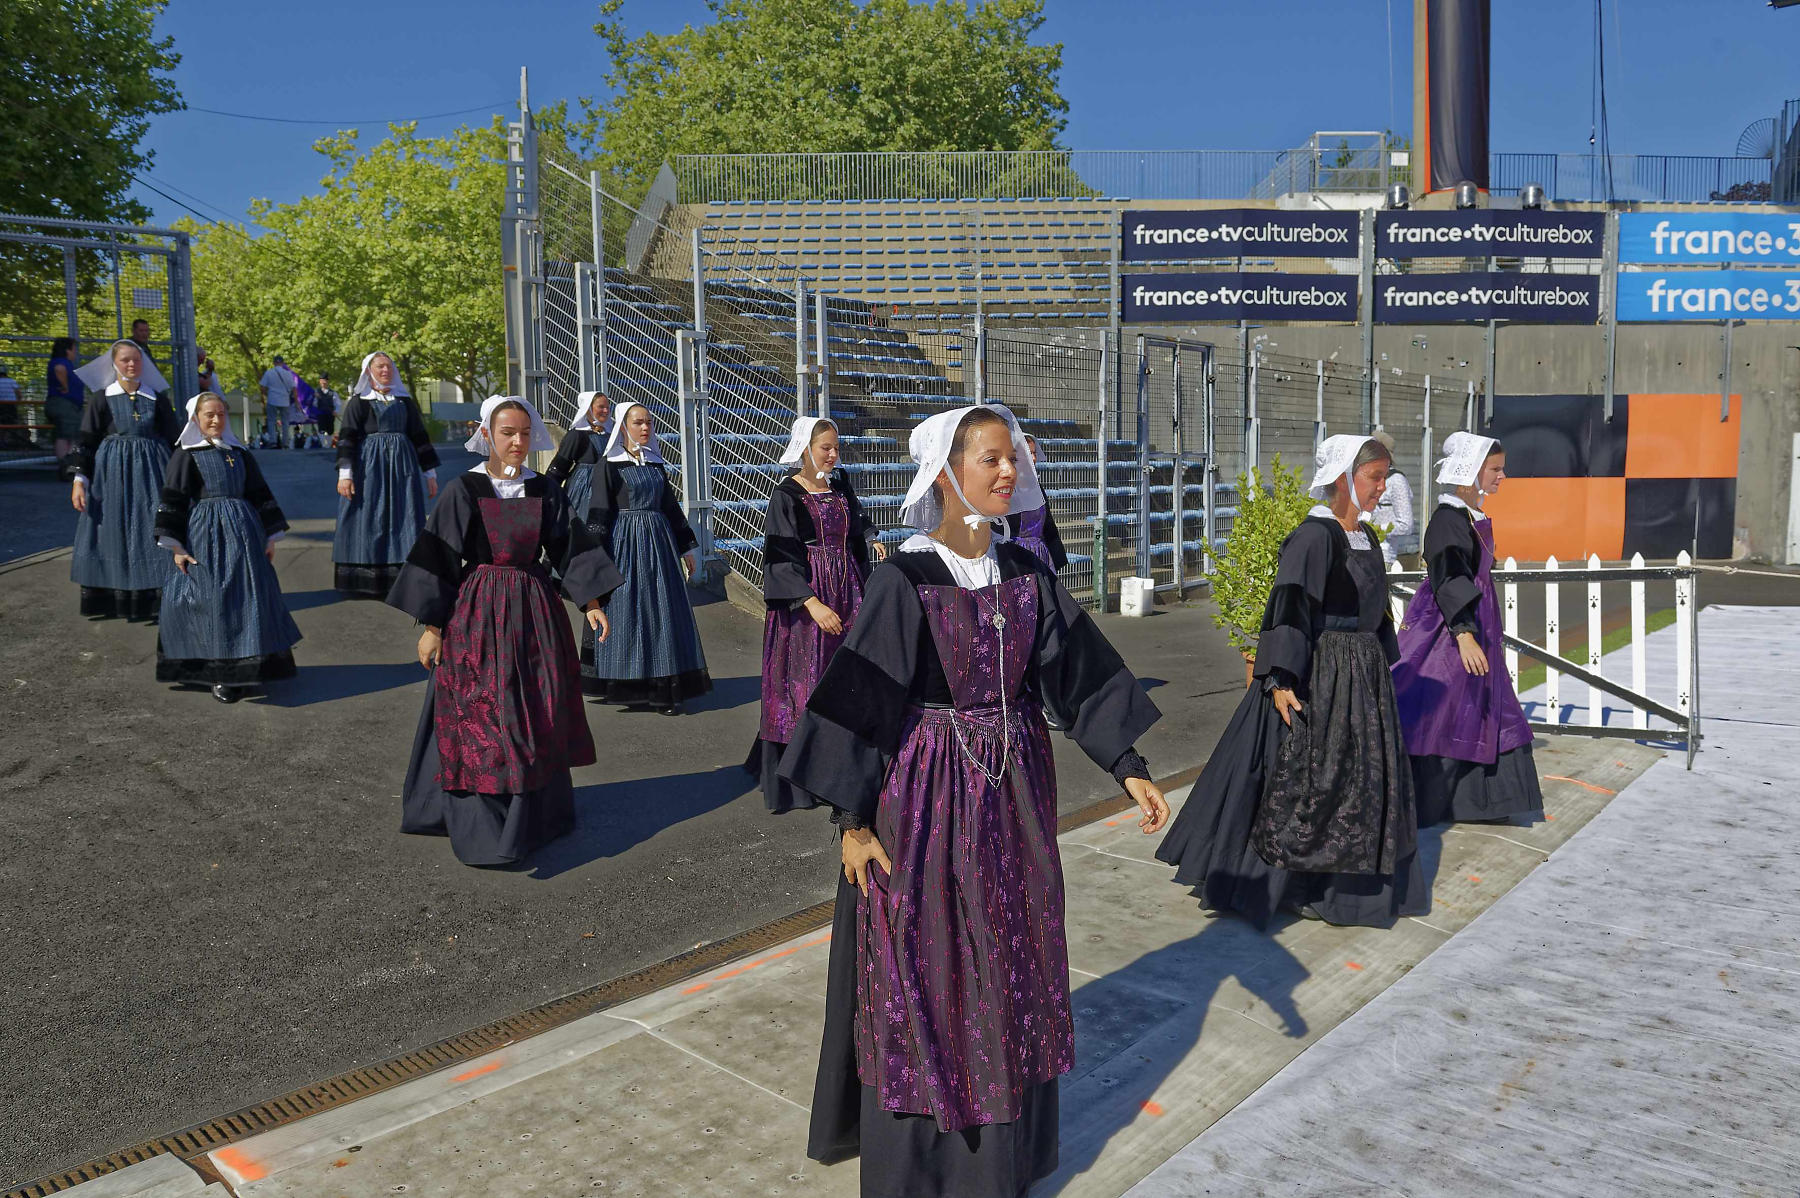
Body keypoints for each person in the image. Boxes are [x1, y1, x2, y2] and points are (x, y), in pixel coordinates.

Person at [779, 404, 1169, 1198]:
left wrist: (1126, 761)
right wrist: (851, 824)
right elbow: (864, 698)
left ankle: (1002, 1159)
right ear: (948, 474)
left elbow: (1075, 673)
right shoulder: (904, 578)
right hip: (925, 795)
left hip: (1017, 796)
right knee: (928, 961)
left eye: (1012, 460)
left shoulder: (1028, 575)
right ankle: (926, 1164)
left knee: (1011, 957)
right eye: (991, 459)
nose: (1008, 473)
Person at [1156, 434, 1423, 929]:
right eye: (1375, 477)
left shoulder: (1364, 536)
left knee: (1352, 781)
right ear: (1343, 478)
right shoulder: (1313, 537)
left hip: (1359, 677)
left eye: (1386, 477)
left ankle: (1340, 888)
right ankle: (1289, 883)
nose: (1383, 488)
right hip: (1322, 675)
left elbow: (1370, 611)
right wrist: (1281, 678)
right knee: (1306, 782)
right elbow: (1290, 606)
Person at [387, 396, 622, 867]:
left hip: (534, 610)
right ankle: (484, 819)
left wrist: (590, 600)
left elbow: (566, 543)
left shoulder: (545, 489)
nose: (516, 442)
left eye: (522, 433)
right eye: (506, 433)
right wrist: (433, 627)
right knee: (479, 708)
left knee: (534, 705)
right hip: (477, 610)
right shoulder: (464, 488)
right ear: (488, 435)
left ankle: (534, 814)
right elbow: (441, 553)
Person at [1391, 432, 1543, 827]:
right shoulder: (1448, 519)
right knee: (1439, 704)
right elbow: (1449, 574)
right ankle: (1427, 800)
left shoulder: (1466, 516)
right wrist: (1463, 633)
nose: (1502, 476)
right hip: (1448, 627)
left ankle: (1474, 802)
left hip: (1472, 621)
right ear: (1470, 472)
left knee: (1473, 703)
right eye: (1495, 469)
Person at [744, 417, 885, 813]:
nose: (833, 454)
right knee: (804, 682)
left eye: (836, 447)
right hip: (807, 603)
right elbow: (780, 556)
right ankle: (803, 774)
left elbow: (855, 524)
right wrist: (812, 603)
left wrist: (870, 541)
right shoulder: (786, 495)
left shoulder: (839, 485)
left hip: (847, 589)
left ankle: (842, 767)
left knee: (846, 678)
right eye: (826, 448)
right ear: (805, 449)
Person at [154, 393, 302, 703]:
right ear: (195, 418)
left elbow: (260, 493)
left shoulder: (240, 452)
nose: (216, 420)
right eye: (209, 414)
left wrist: (271, 535)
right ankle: (221, 675)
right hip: (206, 536)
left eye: (221, 414)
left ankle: (252, 668)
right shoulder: (185, 455)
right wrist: (176, 547)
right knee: (215, 602)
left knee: (251, 600)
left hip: (246, 536)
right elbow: (174, 500)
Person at [581, 401, 712, 714]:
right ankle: (630, 682)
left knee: (662, 613)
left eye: (649, 423)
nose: (645, 428)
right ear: (624, 426)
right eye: (638, 422)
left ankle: (663, 686)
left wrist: (687, 547)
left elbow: (670, 508)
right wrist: (595, 565)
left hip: (660, 547)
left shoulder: (654, 463)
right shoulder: (608, 465)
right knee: (628, 612)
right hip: (624, 546)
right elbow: (599, 515)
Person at [69, 341, 180, 619]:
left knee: (152, 528)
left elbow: (174, 439)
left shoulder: (157, 397)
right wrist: (79, 480)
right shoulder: (102, 398)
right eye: (125, 360)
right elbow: (87, 440)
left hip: (153, 472)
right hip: (111, 475)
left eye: (136, 360)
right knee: (112, 530)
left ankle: (156, 599)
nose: (131, 365)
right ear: (114, 364)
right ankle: (113, 599)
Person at [332, 351, 439, 598]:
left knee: (405, 517)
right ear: (368, 371)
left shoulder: (405, 402)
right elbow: (347, 439)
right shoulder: (359, 402)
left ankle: (405, 578)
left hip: (403, 471)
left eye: (389, 367)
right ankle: (367, 579)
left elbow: (420, 438)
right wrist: (345, 475)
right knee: (369, 517)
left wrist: (430, 474)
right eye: (380, 366)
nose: (385, 371)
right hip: (369, 471)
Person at [543, 390, 611, 537]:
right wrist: (547, 497)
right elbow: (558, 468)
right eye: (601, 407)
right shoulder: (577, 435)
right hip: (583, 491)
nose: (605, 410)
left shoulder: (611, 436)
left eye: (607, 407)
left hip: (608, 488)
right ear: (588, 409)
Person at [1004, 430, 1068, 572]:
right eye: (1028, 453)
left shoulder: (1037, 487)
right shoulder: (1004, 488)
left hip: (1041, 555)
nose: (1033, 458)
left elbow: (1048, 525)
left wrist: (1056, 556)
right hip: (1015, 557)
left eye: (1034, 453)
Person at [1368, 428, 1416, 566]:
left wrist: (1376, 529)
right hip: (1363, 553)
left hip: (1384, 557)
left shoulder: (1396, 480)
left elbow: (1406, 525)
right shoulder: (1366, 477)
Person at [46, 337, 85, 477]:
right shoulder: (61, 362)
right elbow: (59, 369)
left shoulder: (64, 363)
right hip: (64, 404)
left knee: (70, 434)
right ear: (67, 350)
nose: (75, 352)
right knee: (65, 434)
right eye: (74, 349)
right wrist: (65, 386)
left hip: (68, 405)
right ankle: (66, 466)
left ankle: (70, 464)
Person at [258, 355, 295, 448]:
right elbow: (294, 388)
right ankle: (285, 442)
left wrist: (267, 394)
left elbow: (262, 387)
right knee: (285, 422)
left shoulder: (269, 373)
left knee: (271, 421)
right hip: (285, 400)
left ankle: (273, 441)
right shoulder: (288, 374)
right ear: (282, 363)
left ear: (274, 363)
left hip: (272, 399)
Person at [313, 373, 340, 441]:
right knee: (321, 429)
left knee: (330, 430)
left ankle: (328, 445)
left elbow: (337, 403)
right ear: (320, 381)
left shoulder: (333, 393)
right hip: (320, 413)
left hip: (330, 414)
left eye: (325, 381)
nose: (323, 382)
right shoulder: (316, 392)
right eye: (322, 381)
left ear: (327, 382)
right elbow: (314, 403)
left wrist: (336, 411)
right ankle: (322, 444)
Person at [0, 365, 21, 449]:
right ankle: (8, 440)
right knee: (11, 424)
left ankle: (2, 442)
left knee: (2, 424)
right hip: (10, 405)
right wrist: (17, 403)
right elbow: (19, 394)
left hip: (1, 406)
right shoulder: (11, 381)